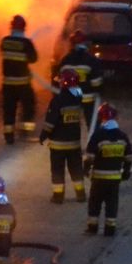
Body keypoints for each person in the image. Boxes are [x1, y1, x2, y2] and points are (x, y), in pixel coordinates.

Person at [84, 103, 132, 236]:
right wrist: (127, 171)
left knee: (95, 202)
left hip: (99, 178)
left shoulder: (98, 135)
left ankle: (93, 227)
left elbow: (89, 156)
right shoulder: (123, 136)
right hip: (114, 179)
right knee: (112, 203)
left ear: (101, 118)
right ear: (115, 117)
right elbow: (129, 156)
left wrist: (86, 169)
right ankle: (110, 228)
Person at [39, 68, 87, 204]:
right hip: (74, 143)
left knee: (57, 170)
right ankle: (81, 195)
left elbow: (50, 122)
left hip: (58, 145)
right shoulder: (78, 98)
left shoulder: (58, 101)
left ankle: (58, 196)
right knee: (76, 169)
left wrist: (43, 135)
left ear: (63, 82)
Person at [0, 15, 38, 144]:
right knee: (28, 107)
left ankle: (9, 136)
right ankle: (24, 133)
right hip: (23, 84)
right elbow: (33, 59)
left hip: (7, 84)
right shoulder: (26, 43)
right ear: (23, 28)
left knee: (9, 109)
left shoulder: (4, 41)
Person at [55, 30, 104, 126]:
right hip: (87, 100)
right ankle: (94, 139)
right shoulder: (91, 60)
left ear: (71, 44)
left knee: (69, 127)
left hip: (69, 99)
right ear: (86, 44)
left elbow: (58, 81)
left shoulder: (65, 60)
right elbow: (97, 83)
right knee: (92, 126)